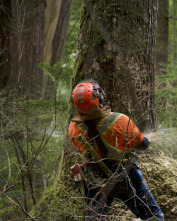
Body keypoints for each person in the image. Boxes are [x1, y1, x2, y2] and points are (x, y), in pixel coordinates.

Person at [68, 79, 164, 221]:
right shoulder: (119, 120)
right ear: (98, 97)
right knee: (153, 217)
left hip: (95, 179)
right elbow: (141, 144)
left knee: (95, 218)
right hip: (126, 176)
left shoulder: (73, 128)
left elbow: (78, 146)